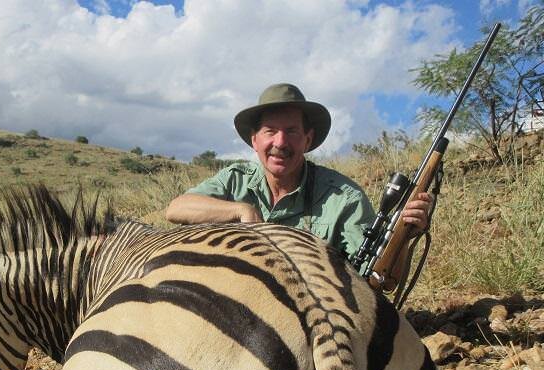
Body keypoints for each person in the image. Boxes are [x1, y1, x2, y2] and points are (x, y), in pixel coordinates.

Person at [166, 83, 431, 261]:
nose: (280, 143)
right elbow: (176, 209)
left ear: (307, 139)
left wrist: (404, 237)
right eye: (270, 131)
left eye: (292, 131)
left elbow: (371, 274)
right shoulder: (234, 180)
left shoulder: (345, 198)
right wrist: (241, 212)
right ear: (254, 140)